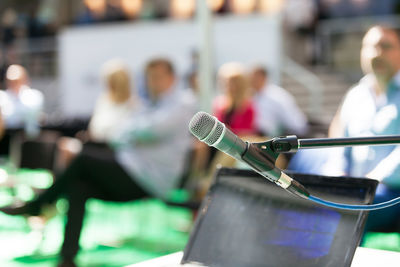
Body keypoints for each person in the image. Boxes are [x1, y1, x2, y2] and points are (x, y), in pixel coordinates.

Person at [0, 58, 197, 267]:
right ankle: (67, 257)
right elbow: (124, 131)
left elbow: (143, 131)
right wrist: (128, 132)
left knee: (83, 159)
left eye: (158, 76)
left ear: (172, 78)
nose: (153, 81)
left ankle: (40, 204)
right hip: (133, 170)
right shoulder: (150, 104)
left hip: (149, 179)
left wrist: (128, 132)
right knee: (79, 187)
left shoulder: (181, 104)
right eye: (150, 77)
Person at [325, 25, 400, 232]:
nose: (377, 53)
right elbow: (338, 139)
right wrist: (339, 175)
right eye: (370, 46)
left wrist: (368, 182)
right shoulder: (355, 95)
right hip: (355, 191)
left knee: (341, 213)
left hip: (391, 194)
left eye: (386, 46)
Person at [56, 59, 139, 170]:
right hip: (96, 144)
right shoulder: (105, 100)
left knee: (73, 152)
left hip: (112, 150)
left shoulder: (133, 104)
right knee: (65, 145)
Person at [250, 65, 308, 137]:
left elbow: (293, 123)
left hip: (282, 138)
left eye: (254, 77)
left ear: (262, 77)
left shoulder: (276, 96)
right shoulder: (254, 96)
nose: (251, 80)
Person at [0, 64, 44, 138]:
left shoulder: (34, 96)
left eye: (16, 80)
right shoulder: (2, 96)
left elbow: (30, 115)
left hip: (28, 138)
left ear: (24, 79)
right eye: (10, 80)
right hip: (6, 138)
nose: (13, 83)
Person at [213, 62, 256, 136]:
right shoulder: (219, 103)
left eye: (233, 82)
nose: (229, 85)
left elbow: (246, 133)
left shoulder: (248, 106)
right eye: (226, 81)